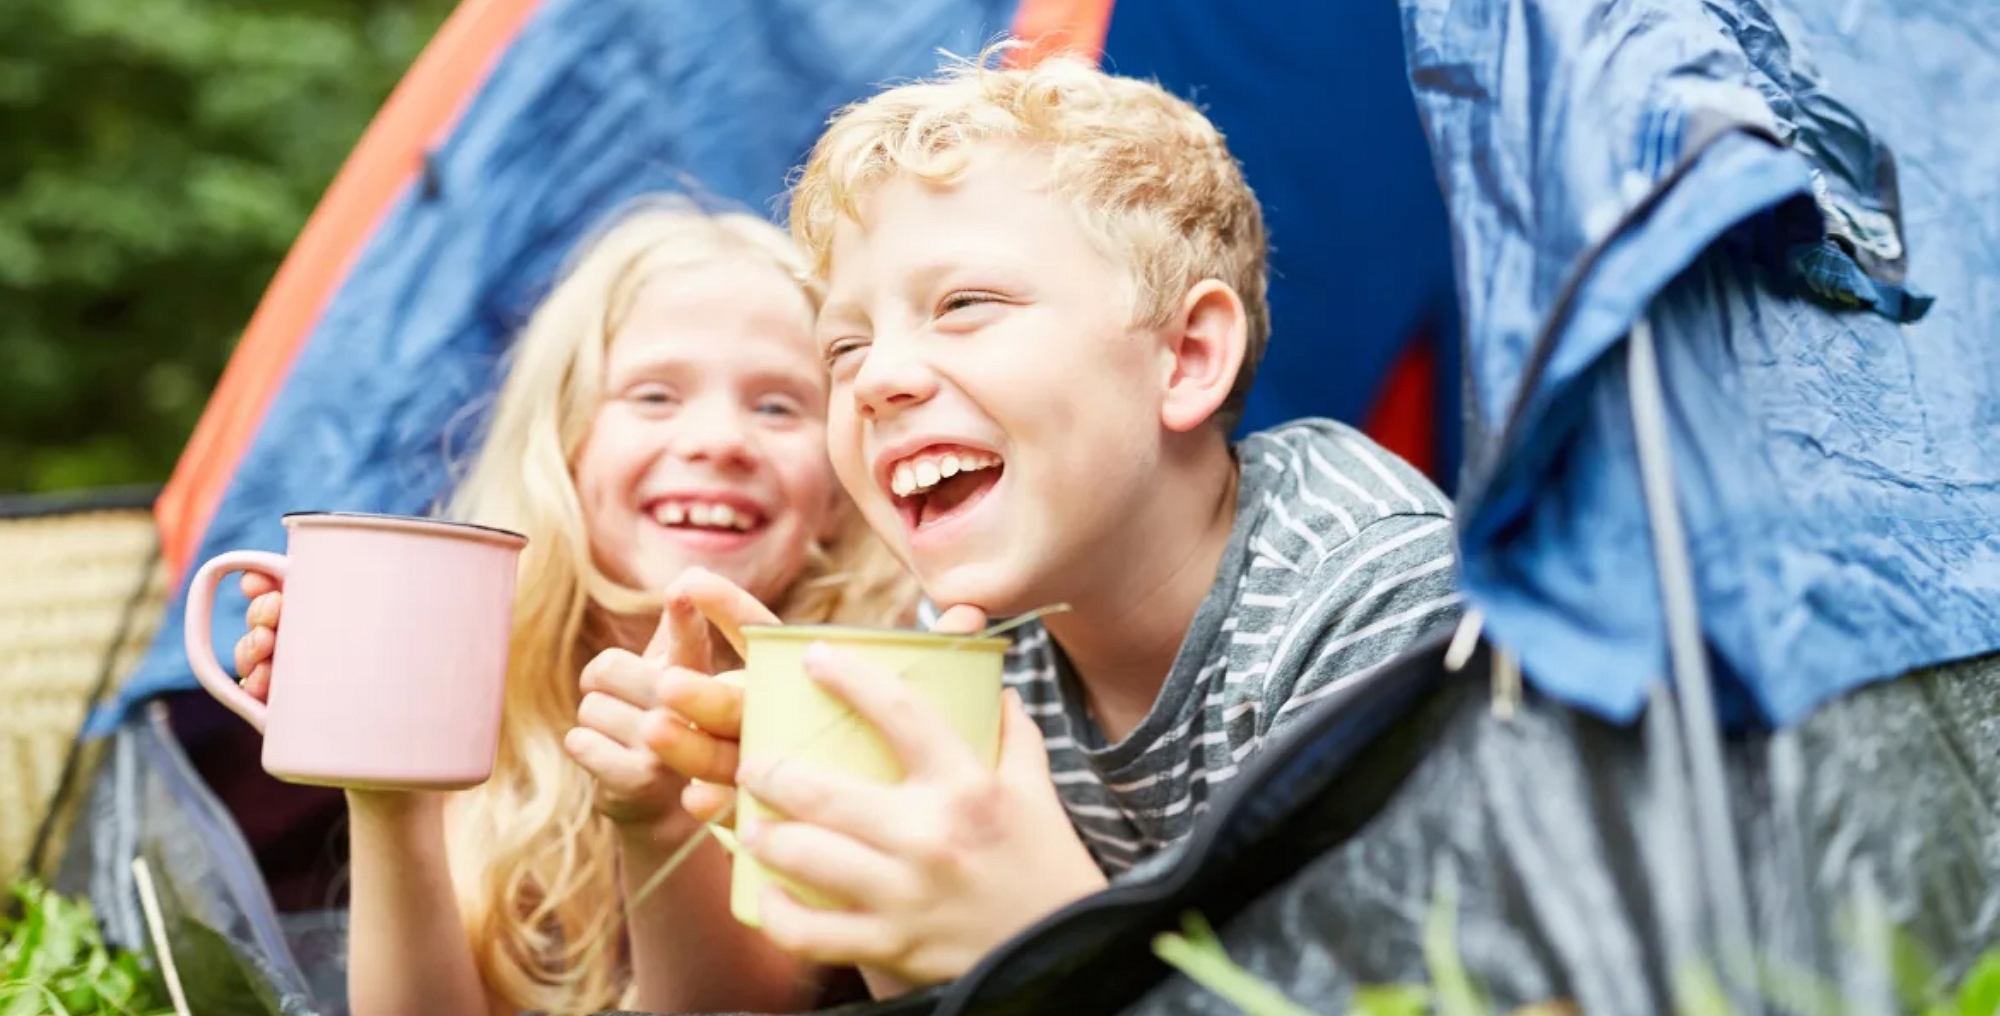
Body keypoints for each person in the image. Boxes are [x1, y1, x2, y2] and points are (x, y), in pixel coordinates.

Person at [643, 47, 1463, 993]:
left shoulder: (1374, 600)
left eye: (964, 304)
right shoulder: (966, 644)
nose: (875, 378)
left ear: (1188, 356)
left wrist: (1040, 939)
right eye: (844, 347)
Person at [229, 197, 915, 1016]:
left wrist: (662, 817)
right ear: (563, 445)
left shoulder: (862, 700)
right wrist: (389, 797)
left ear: (838, 485)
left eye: (778, 406)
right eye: (655, 396)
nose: (721, 441)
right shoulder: (485, 683)